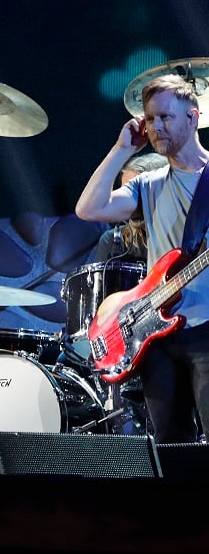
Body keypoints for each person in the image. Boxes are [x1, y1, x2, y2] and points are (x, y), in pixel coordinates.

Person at [76, 74, 209, 443]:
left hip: (207, 329)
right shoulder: (146, 184)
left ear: (193, 117)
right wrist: (122, 150)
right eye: (150, 119)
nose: (155, 127)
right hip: (158, 336)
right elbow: (89, 209)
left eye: (165, 117)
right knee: (170, 448)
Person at [93, 152, 169, 263]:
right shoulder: (112, 242)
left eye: (137, 191)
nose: (128, 200)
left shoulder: (187, 237)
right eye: (126, 192)